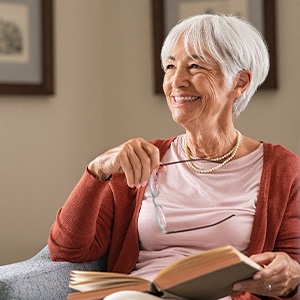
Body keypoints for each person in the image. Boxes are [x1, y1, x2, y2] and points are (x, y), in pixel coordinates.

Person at [48, 13, 300, 300]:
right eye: (170, 66)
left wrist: (290, 277)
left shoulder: (281, 168)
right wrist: (96, 172)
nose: (176, 81)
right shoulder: (140, 161)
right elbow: (67, 250)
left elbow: (291, 270)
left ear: (239, 82)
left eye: (194, 66)